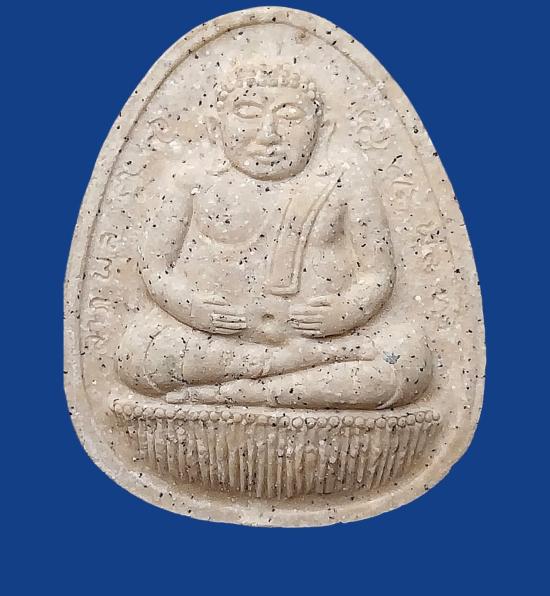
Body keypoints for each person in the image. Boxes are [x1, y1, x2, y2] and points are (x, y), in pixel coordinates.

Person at [117, 64, 431, 409]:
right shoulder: (192, 180)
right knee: (138, 352)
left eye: (290, 116)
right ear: (214, 128)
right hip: (224, 345)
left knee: (408, 359)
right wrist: (194, 309)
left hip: (327, 341)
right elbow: (154, 267)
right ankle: (282, 369)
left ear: (322, 131)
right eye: (248, 113)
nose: (268, 134)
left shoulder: (344, 179)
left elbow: (378, 273)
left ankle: (247, 393)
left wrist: (344, 312)